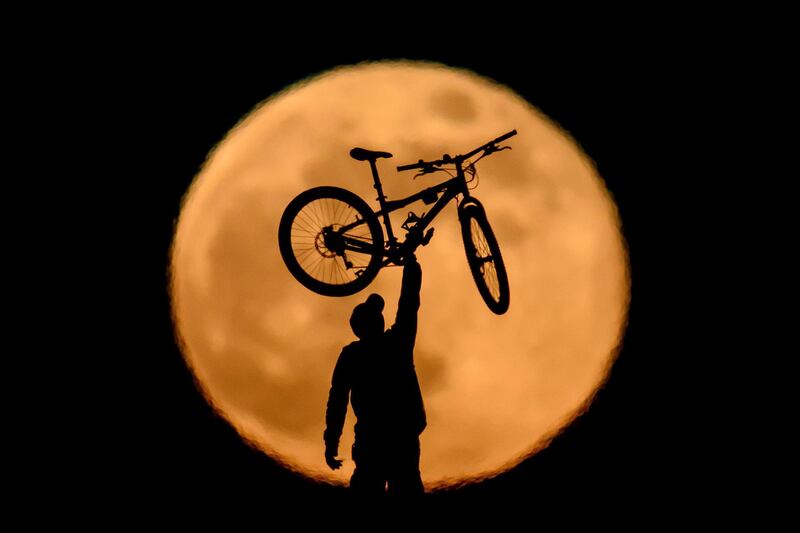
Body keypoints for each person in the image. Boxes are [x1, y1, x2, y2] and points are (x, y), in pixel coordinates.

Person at [323, 254, 426, 496]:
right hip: (401, 439)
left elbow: (337, 401)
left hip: (374, 440)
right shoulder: (398, 341)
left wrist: (331, 442)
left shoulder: (352, 355)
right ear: (377, 323)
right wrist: (411, 266)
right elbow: (409, 302)